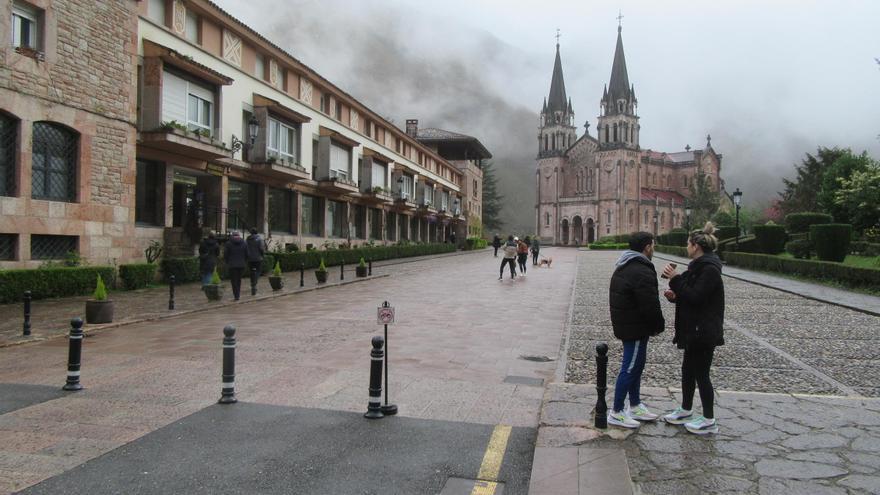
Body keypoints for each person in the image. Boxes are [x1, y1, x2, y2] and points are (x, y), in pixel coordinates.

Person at [661, 222, 724, 435]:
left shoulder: (710, 270)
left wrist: (675, 280)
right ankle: (686, 409)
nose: (686, 246)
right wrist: (676, 296)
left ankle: (709, 419)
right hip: (693, 329)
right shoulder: (697, 267)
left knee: (702, 374)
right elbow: (690, 293)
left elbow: (697, 297)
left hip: (704, 331)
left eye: (688, 243)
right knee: (688, 371)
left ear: (696, 245)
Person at [607, 231, 665, 429]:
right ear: (647, 247)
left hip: (629, 323)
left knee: (637, 365)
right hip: (635, 326)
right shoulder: (641, 270)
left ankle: (635, 404)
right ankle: (616, 411)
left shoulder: (625, 264)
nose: (653, 249)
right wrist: (658, 325)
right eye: (653, 245)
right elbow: (650, 303)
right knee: (631, 367)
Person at [223, 231, 248, 301]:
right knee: (239, 280)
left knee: (234, 281)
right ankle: (238, 294)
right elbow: (247, 254)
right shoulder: (244, 243)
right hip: (241, 265)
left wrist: (227, 262)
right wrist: (244, 261)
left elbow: (226, 255)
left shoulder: (228, 244)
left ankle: (236, 295)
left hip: (232, 265)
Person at [246, 228, 267, 294]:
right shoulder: (259, 239)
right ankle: (254, 282)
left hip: (250, 258)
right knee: (258, 271)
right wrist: (263, 255)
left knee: (251, 271)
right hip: (258, 258)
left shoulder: (247, 239)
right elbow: (261, 248)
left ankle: (252, 282)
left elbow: (245, 248)